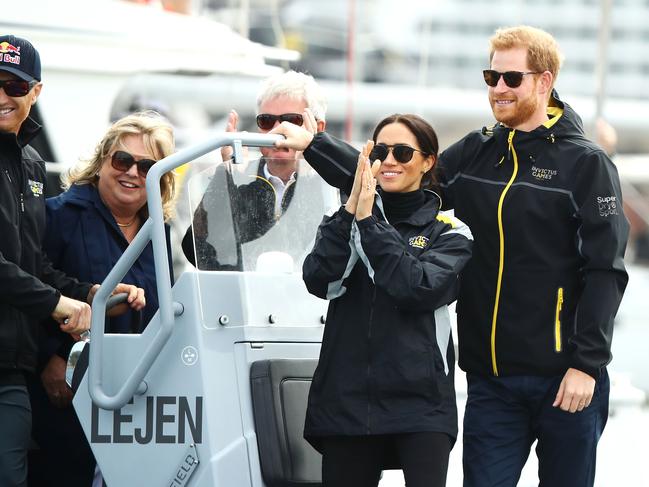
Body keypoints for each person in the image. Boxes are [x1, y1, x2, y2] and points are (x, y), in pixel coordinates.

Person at [272, 25, 630, 487]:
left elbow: (606, 270)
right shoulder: (479, 151)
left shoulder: (585, 163)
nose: (498, 89)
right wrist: (314, 146)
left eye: (512, 79)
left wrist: (587, 364)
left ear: (544, 82)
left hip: (566, 379)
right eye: (491, 77)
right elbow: (395, 176)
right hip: (491, 381)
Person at [0, 35, 144, 487]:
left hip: (10, 368)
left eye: (14, 86)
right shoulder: (62, 200)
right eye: (123, 159)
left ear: (36, 92)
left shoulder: (31, 165)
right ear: (103, 162)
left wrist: (91, 295)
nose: (2, 96)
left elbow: (34, 263)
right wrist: (59, 306)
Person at [302, 114, 473, 487]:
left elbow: (417, 287)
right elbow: (318, 280)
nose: (390, 160)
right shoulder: (344, 217)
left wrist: (370, 224)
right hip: (346, 400)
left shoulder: (450, 230)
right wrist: (352, 213)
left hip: (421, 403)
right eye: (381, 151)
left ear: (428, 162)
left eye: (403, 151)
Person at [27, 111, 177, 487]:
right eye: (123, 160)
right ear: (102, 161)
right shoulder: (58, 215)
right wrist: (50, 357)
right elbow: (32, 288)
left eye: (147, 166)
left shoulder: (159, 233)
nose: (132, 173)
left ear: (161, 179)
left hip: (137, 399)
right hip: (67, 395)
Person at [181, 70, 327, 269]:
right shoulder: (240, 177)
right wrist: (226, 177)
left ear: (317, 128)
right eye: (266, 121)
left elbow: (327, 255)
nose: (277, 131)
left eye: (291, 121)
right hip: (244, 295)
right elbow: (198, 251)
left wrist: (308, 179)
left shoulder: (333, 184)